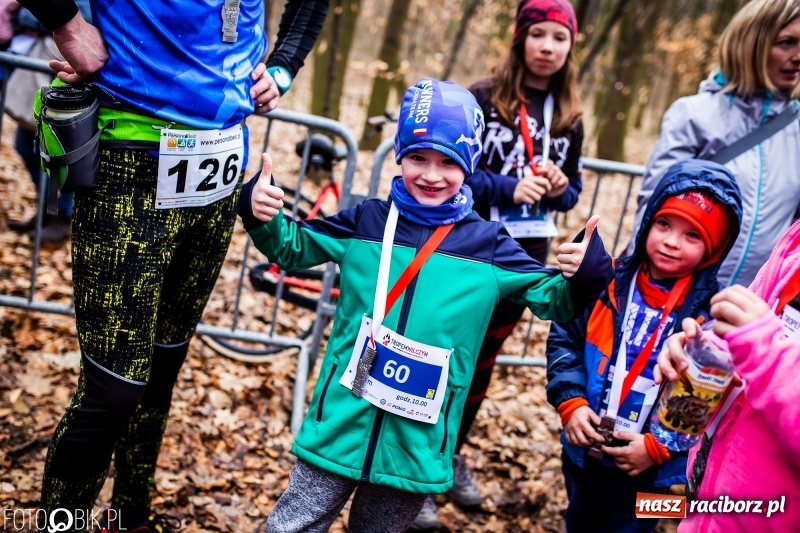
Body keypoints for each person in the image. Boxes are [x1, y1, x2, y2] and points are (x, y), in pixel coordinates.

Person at [238, 78, 612, 533]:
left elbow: (555, 297)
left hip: (417, 438)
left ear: (469, 165)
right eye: (417, 157)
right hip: (341, 416)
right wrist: (260, 210)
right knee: (291, 526)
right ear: (399, 155)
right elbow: (293, 248)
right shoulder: (368, 220)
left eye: (448, 162)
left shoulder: (487, 245)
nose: (431, 175)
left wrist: (588, 269)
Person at [15, 0, 328, 531]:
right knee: (114, 390)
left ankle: (130, 516)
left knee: (162, 368)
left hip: (220, 166)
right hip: (127, 159)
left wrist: (283, 65)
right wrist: (67, 25)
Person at [412, 1, 585, 526]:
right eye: (539, 35)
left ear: (571, 46)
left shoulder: (571, 116)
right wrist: (509, 186)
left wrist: (559, 188)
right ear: (520, 38)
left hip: (521, 258)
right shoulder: (483, 100)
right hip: (465, 248)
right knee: (439, 357)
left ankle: (449, 454)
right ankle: (415, 468)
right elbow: (452, 172)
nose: (548, 47)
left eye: (560, 37)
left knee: (478, 369)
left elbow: (572, 192)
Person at [546, 159, 743, 533]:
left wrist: (660, 448)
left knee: (634, 527)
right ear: (648, 221)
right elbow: (565, 338)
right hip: (584, 449)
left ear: (714, 249)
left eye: (693, 235)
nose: (671, 241)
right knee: (580, 519)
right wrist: (570, 402)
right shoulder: (607, 281)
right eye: (664, 224)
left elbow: (705, 398)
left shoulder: (711, 316)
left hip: (650, 470)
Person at [630, 0, 800, 288]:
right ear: (752, 43)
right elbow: (653, 209)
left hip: (752, 309)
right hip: (677, 299)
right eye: (787, 43)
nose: (798, 56)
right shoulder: (694, 115)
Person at [655, 219, 800, 532]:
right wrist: (702, 346)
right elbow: (746, 331)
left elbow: (765, 345)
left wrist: (766, 353)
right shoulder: (794, 245)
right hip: (710, 505)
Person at [3, 2, 91, 243]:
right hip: (48, 59)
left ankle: (63, 214)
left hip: (65, 65)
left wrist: (20, 16)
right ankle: (48, 210)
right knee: (28, 146)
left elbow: (84, 14)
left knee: (61, 152)